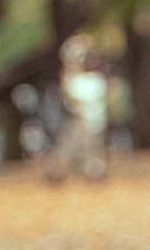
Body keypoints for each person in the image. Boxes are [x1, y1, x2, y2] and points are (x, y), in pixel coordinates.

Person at [45, 34, 109, 183]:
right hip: (81, 118)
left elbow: (76, 97)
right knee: (72, 146)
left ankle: (93, 172)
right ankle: (60, 171)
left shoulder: (94, 80)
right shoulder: (80, 79)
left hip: (89, 120)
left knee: (84, 148)